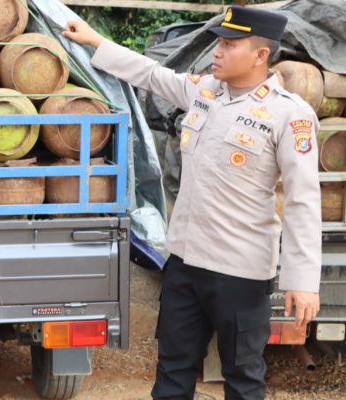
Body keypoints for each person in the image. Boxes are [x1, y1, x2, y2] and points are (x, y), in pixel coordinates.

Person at [64, 6, 321, 400]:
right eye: (218, 42)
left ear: (261, 55)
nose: (217, 51)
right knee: (172, 372)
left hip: (242, 272)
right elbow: (150, 74)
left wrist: (302, 282)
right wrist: (95, 41)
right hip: (185, 264)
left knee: (243, 379)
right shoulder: (203, 92)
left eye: (229, 44)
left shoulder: (288, 113)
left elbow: (303, 200)